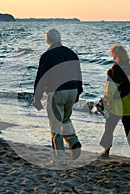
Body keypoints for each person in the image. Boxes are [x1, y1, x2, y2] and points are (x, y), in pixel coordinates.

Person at [33, 28, 83, 165]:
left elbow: (41, 78)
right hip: (72, 90)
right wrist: (78, 91)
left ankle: (59, 159)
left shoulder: (47, 55)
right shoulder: (72, 53)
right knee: (65, 119)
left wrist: (37, 98)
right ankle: (74, 142)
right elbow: (78, 74)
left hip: (56, 92)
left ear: (47, 41)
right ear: (59, 38)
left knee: (55, 125)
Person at [99, 45, 130, 162]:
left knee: (109, 128)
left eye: (113, 54)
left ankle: (106, 151)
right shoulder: (129, 67)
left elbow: (111, 89)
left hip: (115, 105)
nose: (112, 56)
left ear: (116, 55)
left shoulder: (116, 68)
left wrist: (106, 100)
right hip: (128, 104)